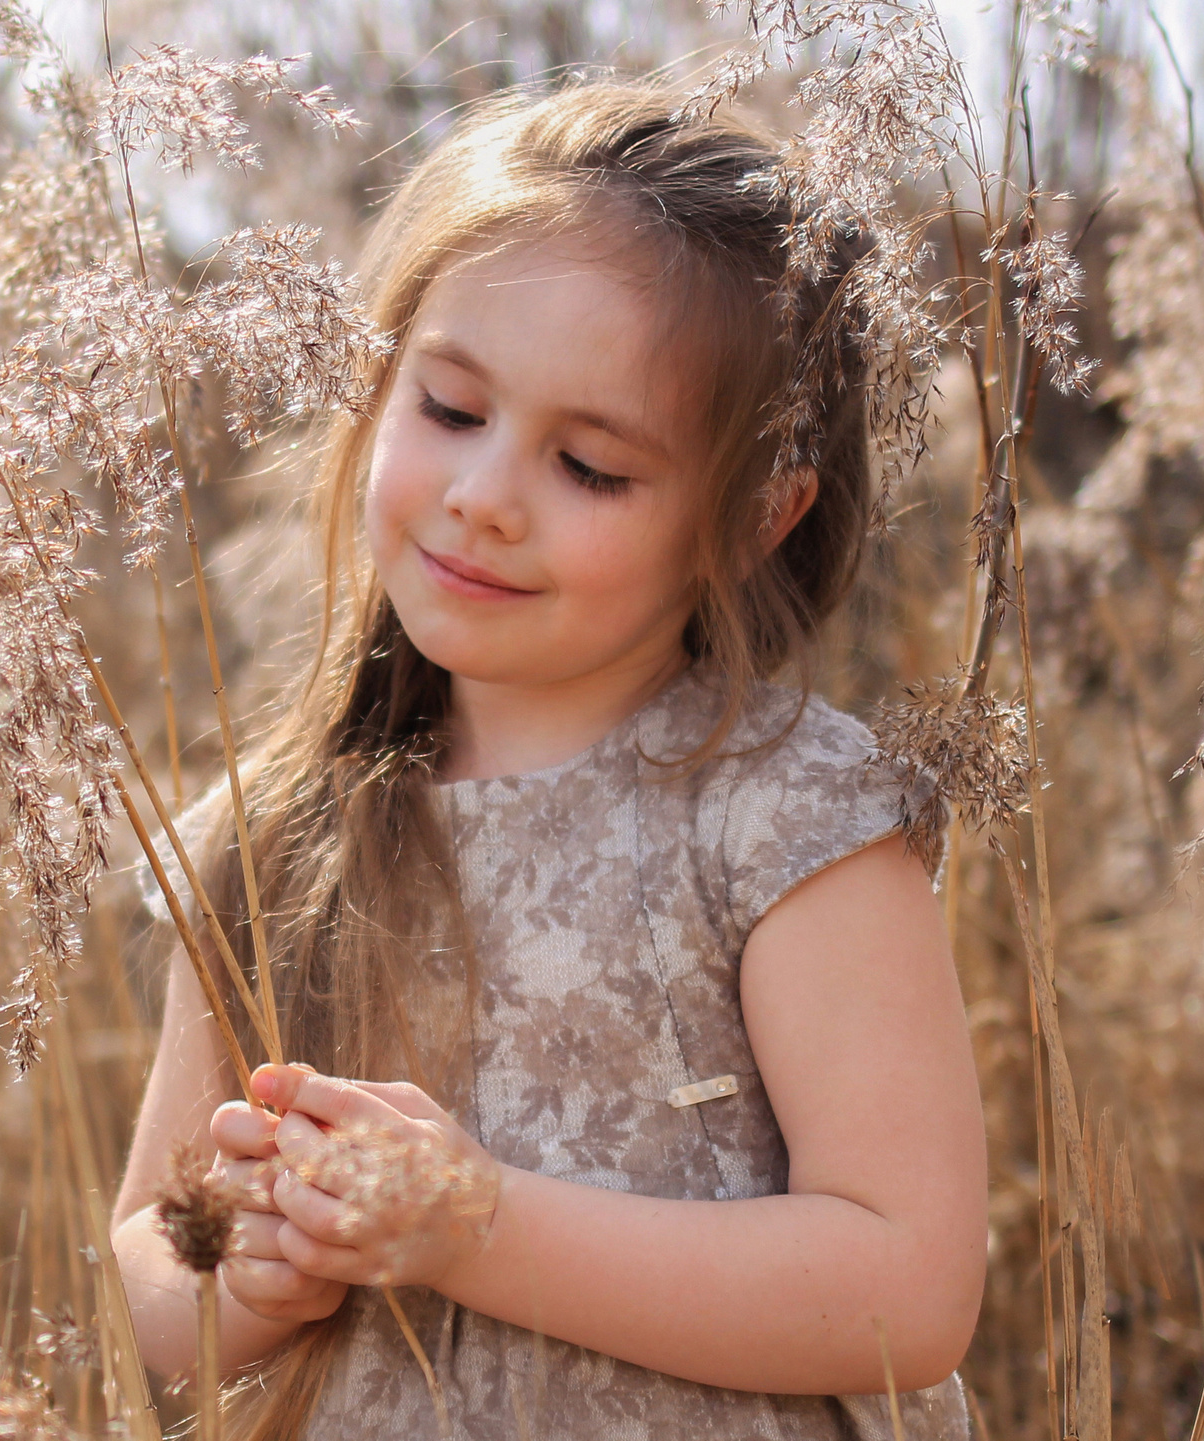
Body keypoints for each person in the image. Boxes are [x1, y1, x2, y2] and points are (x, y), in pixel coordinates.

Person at [109, 75, 988, 1441]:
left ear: (757, 514)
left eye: (589, 466)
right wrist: (251, 1257)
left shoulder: (782, 810)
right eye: (451, 408)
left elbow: (908, 1285)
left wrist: (476, 1225)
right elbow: (156, 1275)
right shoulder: (268, 835)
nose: (483, 496)